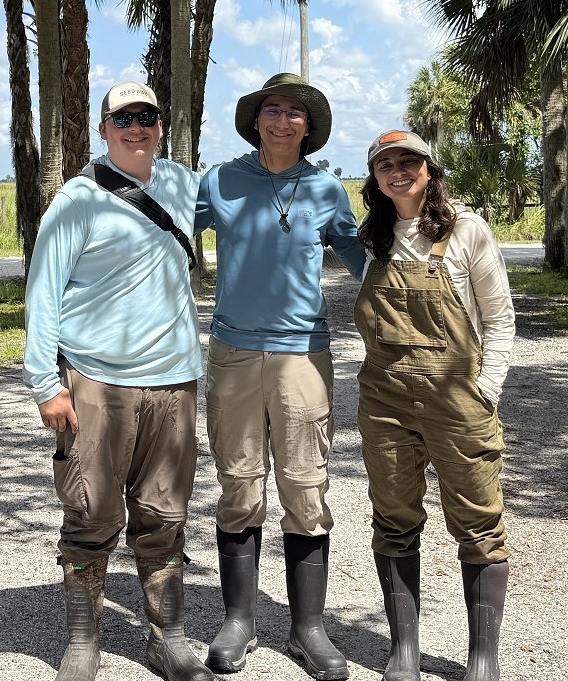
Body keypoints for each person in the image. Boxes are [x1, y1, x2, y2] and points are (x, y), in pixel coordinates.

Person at [23, 81, 215, 681]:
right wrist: (45, 385)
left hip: (175, 380)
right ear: (103, 129)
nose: (136, 127)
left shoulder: (185, 184)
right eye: (123, 117)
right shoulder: (77, 200)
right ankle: (84, 641)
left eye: (147, 116)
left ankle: (168, 636)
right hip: (97, 380)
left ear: (162, 126)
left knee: (164, 514)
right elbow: (43, 292)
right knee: (90, 511)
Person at [195, 73, 365, 681]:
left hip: (304, 355)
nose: (283, 120)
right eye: (272, 109)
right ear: (256, 119)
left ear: (309, 127)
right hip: (234, 354)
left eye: (295, 112)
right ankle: (238, 620)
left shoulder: (327, 189)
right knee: (239, 484)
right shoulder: (219, 181)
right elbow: (163, 234)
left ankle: (308, 629)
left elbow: (361, 259)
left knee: (305, 487)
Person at [353, 130, 515, 681]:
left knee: (477, 521)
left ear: (429, 168)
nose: (398, 172)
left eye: (408, 162)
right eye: (385, 165)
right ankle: (404, 651)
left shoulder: (467, 230)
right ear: (375, 178)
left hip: (457, 398)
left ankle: (483, 656)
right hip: (385, 399)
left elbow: (499, 319)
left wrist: (485, 390)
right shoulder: (373, 238)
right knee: (394, 519)